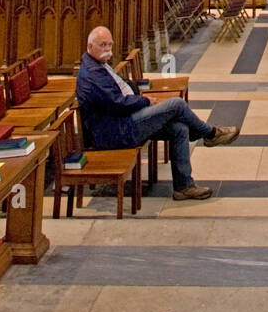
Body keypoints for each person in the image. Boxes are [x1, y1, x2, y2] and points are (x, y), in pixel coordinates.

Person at [76, 26, 239, 201]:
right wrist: (145, 101)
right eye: (102, 45)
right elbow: (118, 104)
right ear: (90, 46)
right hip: (116, 132)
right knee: (175, 104)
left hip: (123, 121)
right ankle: (210, 134)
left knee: (179, 128)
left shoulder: (99, 65)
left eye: (109, 45)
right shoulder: (93, 74)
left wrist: (138, 95)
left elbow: (123, 88)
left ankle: (183, 187)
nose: (107, 49)